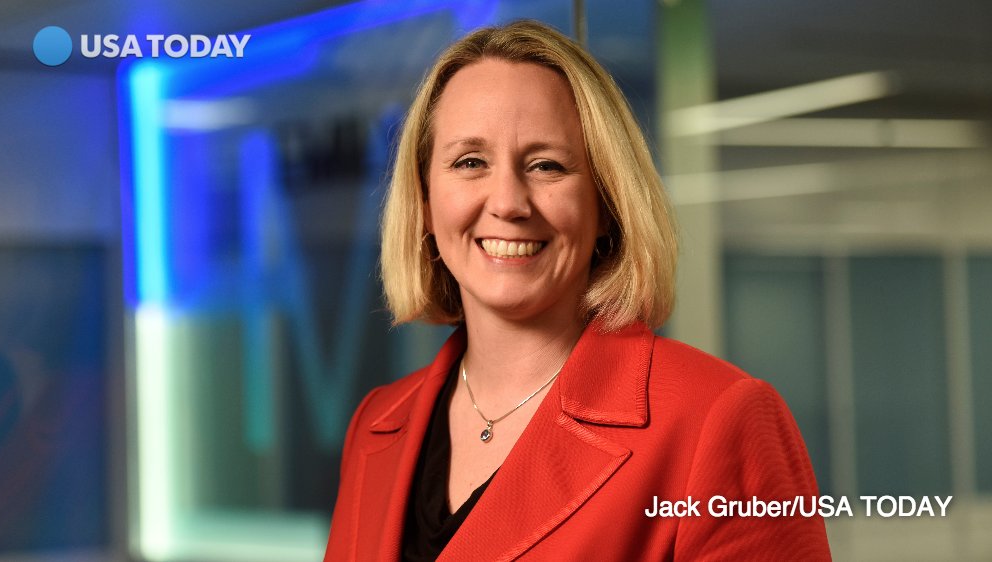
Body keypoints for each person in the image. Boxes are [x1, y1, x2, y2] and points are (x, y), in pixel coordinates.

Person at [324, 20, 830, 561]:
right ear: (425, 201)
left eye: (547, 165)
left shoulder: (716, 419)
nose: (508, 202)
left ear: (606, 205)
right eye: (470, 162)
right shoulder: (377, 425)